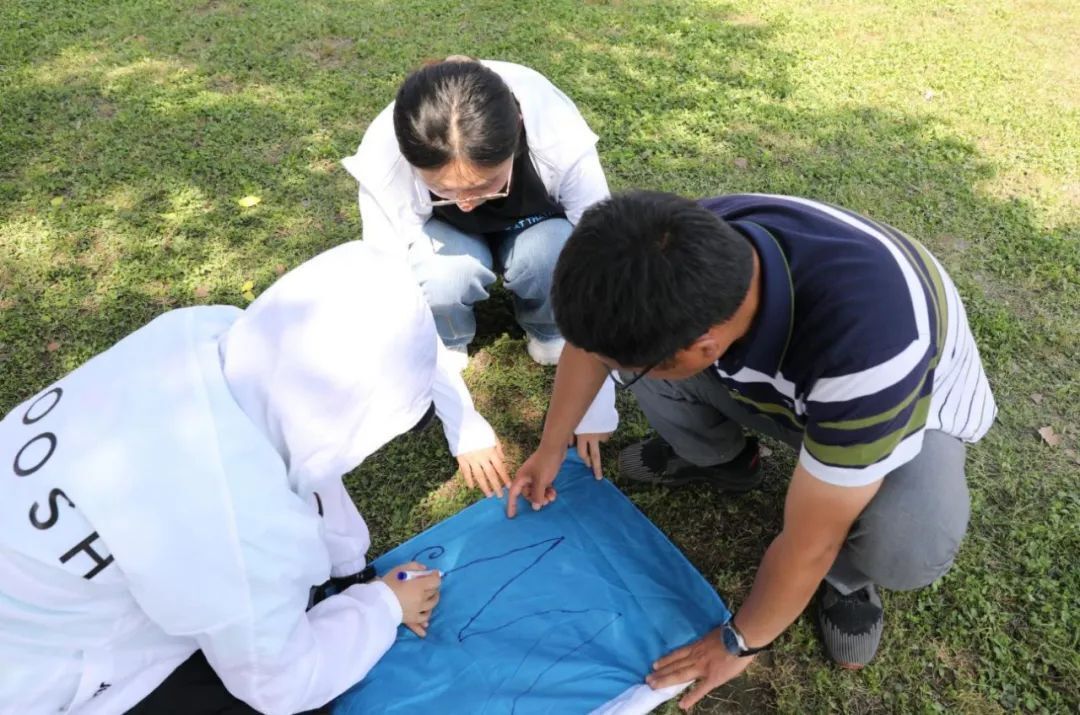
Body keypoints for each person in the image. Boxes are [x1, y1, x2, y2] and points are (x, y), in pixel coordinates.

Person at [506, 192, 996, 710]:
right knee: (638, 356)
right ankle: (726, 461)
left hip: (907, 413)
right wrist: (551, 447)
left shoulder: (868, 352)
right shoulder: (671, 250)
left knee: (905, 546)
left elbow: (808, 544)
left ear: (705, 348)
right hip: (795, 389)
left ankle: (849, 578)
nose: (608, 368)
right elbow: (593, 345)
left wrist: (739, 641)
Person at [0, 243, 452, 715]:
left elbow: (310, 453)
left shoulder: (213, 334)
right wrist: (383, 606)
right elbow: (282, 685)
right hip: (36, 676)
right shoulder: (232, 520)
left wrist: (350, 568)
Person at [342, 56, 618, 481]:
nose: (467, 203)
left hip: (536, 226)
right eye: (443, 189)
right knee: (442, 275)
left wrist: (596, 404)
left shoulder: (557, 132)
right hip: (445, 235)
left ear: (518, 132)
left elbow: (605, 263)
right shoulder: (386, 158)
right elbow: (393, 297)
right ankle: (449, 335)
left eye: (486, 185)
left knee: (555, 252)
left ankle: (550, 329)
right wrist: (463, 424)